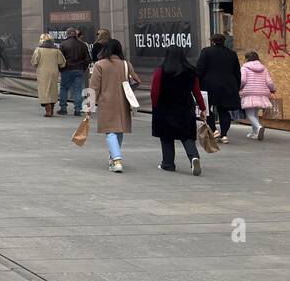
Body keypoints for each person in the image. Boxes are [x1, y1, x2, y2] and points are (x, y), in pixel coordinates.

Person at [150, 45, 206, 176]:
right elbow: (197, 92)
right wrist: (202, 108)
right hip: (185, 107)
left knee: (166, 136)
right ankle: (194, 157)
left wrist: (155, 106)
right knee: (186, 135)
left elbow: (155, 91)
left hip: (165, 108)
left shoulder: (161, 71)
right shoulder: (191, 71)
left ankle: (168, 164)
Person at [88, 39, 139, 173]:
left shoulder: (100, 65)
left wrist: (88, 106)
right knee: (119, 130)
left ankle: (116, 159)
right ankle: (113, 158)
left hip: (106, 102)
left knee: (110, 131)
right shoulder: (126, 64)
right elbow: (136, 80)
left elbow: (93, 88)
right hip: (123, 102)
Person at [197, 34, 241, 144]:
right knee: (224, 110)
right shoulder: (232, 54)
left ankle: (214, 130)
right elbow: (237, 73)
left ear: (212, 41)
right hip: (228, 85)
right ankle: (224, 134)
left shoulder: (206, 52)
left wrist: (196, 84)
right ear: (224, 42)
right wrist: (237, 87)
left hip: (209, 85)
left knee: (206, 109)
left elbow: (200, 69)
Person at [240, 51, 277, 141]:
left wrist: (239, 87)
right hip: (261, 94)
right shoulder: (263, 68)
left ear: (247, 58)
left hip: (249, 93)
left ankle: (259, 127)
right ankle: (255, 133)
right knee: (255, 114)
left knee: (249, 114)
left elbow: (243, 80)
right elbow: (269, 82)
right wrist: (272, 89)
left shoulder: (244, 68)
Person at [57, 28, 91, 115]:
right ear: (75, 34)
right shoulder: (82, 45)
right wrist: (83, 68)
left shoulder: (63, 44)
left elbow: (60, 59)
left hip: (66, 69)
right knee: (78, 89)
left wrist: (61, 69)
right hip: (79, 69)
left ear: (67, 34)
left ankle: (63, 108)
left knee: (64, 88)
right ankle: (77, 110)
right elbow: (87, 59)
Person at [31, 33, 65, 117]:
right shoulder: (56, 50)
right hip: (54, 72)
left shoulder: (39, 49)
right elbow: (62, 62)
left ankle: (48, 108)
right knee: (53, 89)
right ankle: (52, 107)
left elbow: (34, 61)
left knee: (44, 90)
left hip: (42, 72)